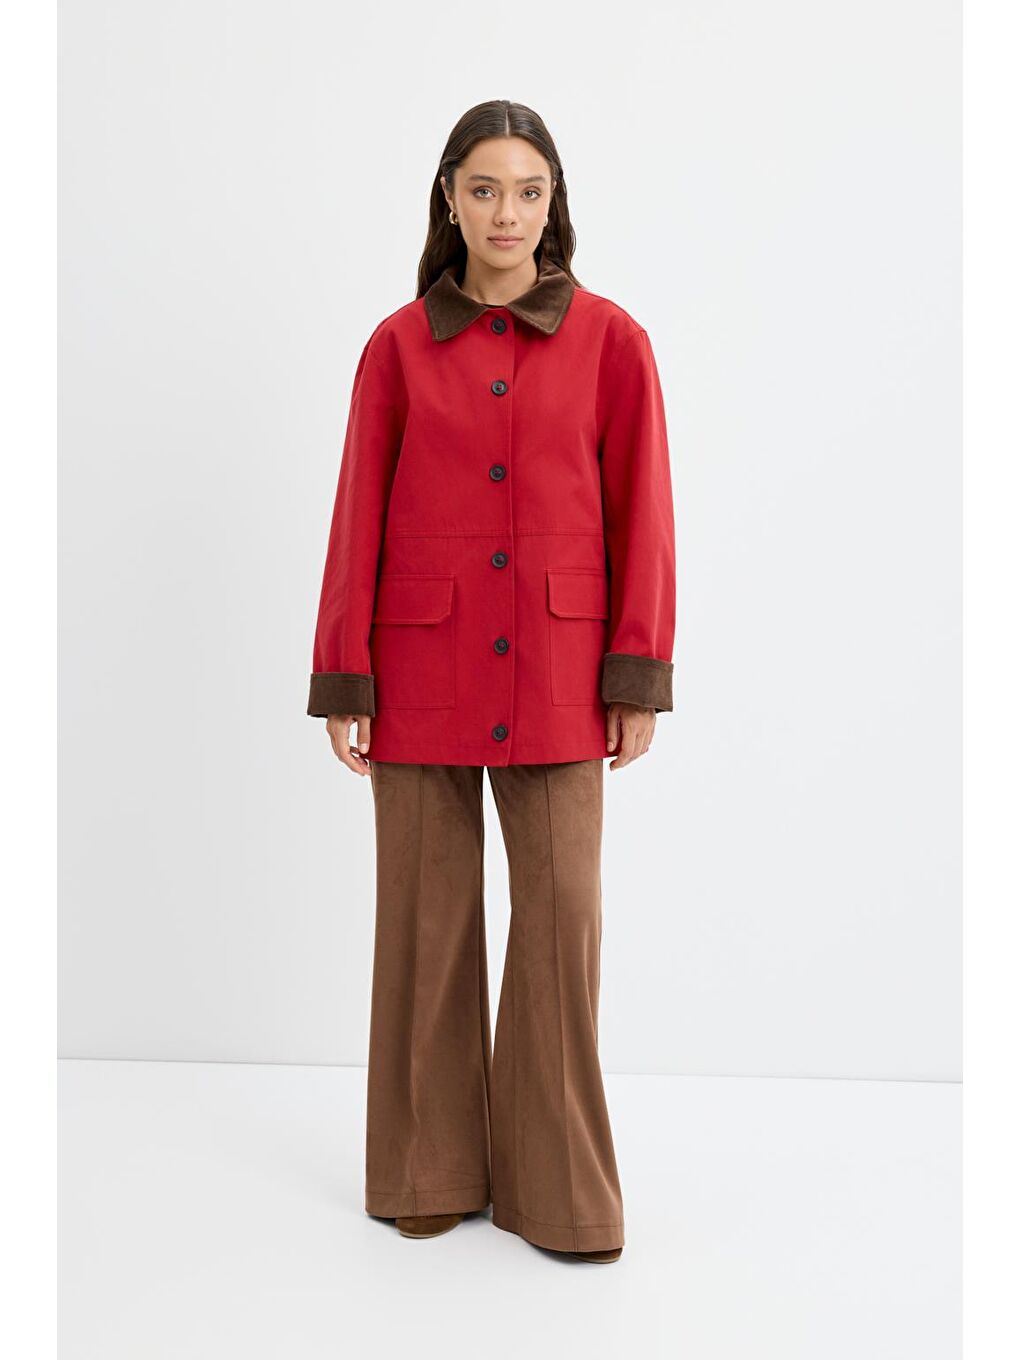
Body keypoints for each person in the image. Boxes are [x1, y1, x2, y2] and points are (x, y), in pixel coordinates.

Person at [307, 100, 676, 1264]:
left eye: (527, 190)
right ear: (450, 198)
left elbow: (645, 514)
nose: (506, 212)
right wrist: (345, 672)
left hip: (563, 668)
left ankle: (558, 1190)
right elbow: (357, 510)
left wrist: (636, 671)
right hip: (419, 660)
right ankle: (427, 1166)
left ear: (553, 200)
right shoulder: (396, 346)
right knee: (426, 921)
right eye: (484, 189)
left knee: (562, 924)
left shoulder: (613, 341)